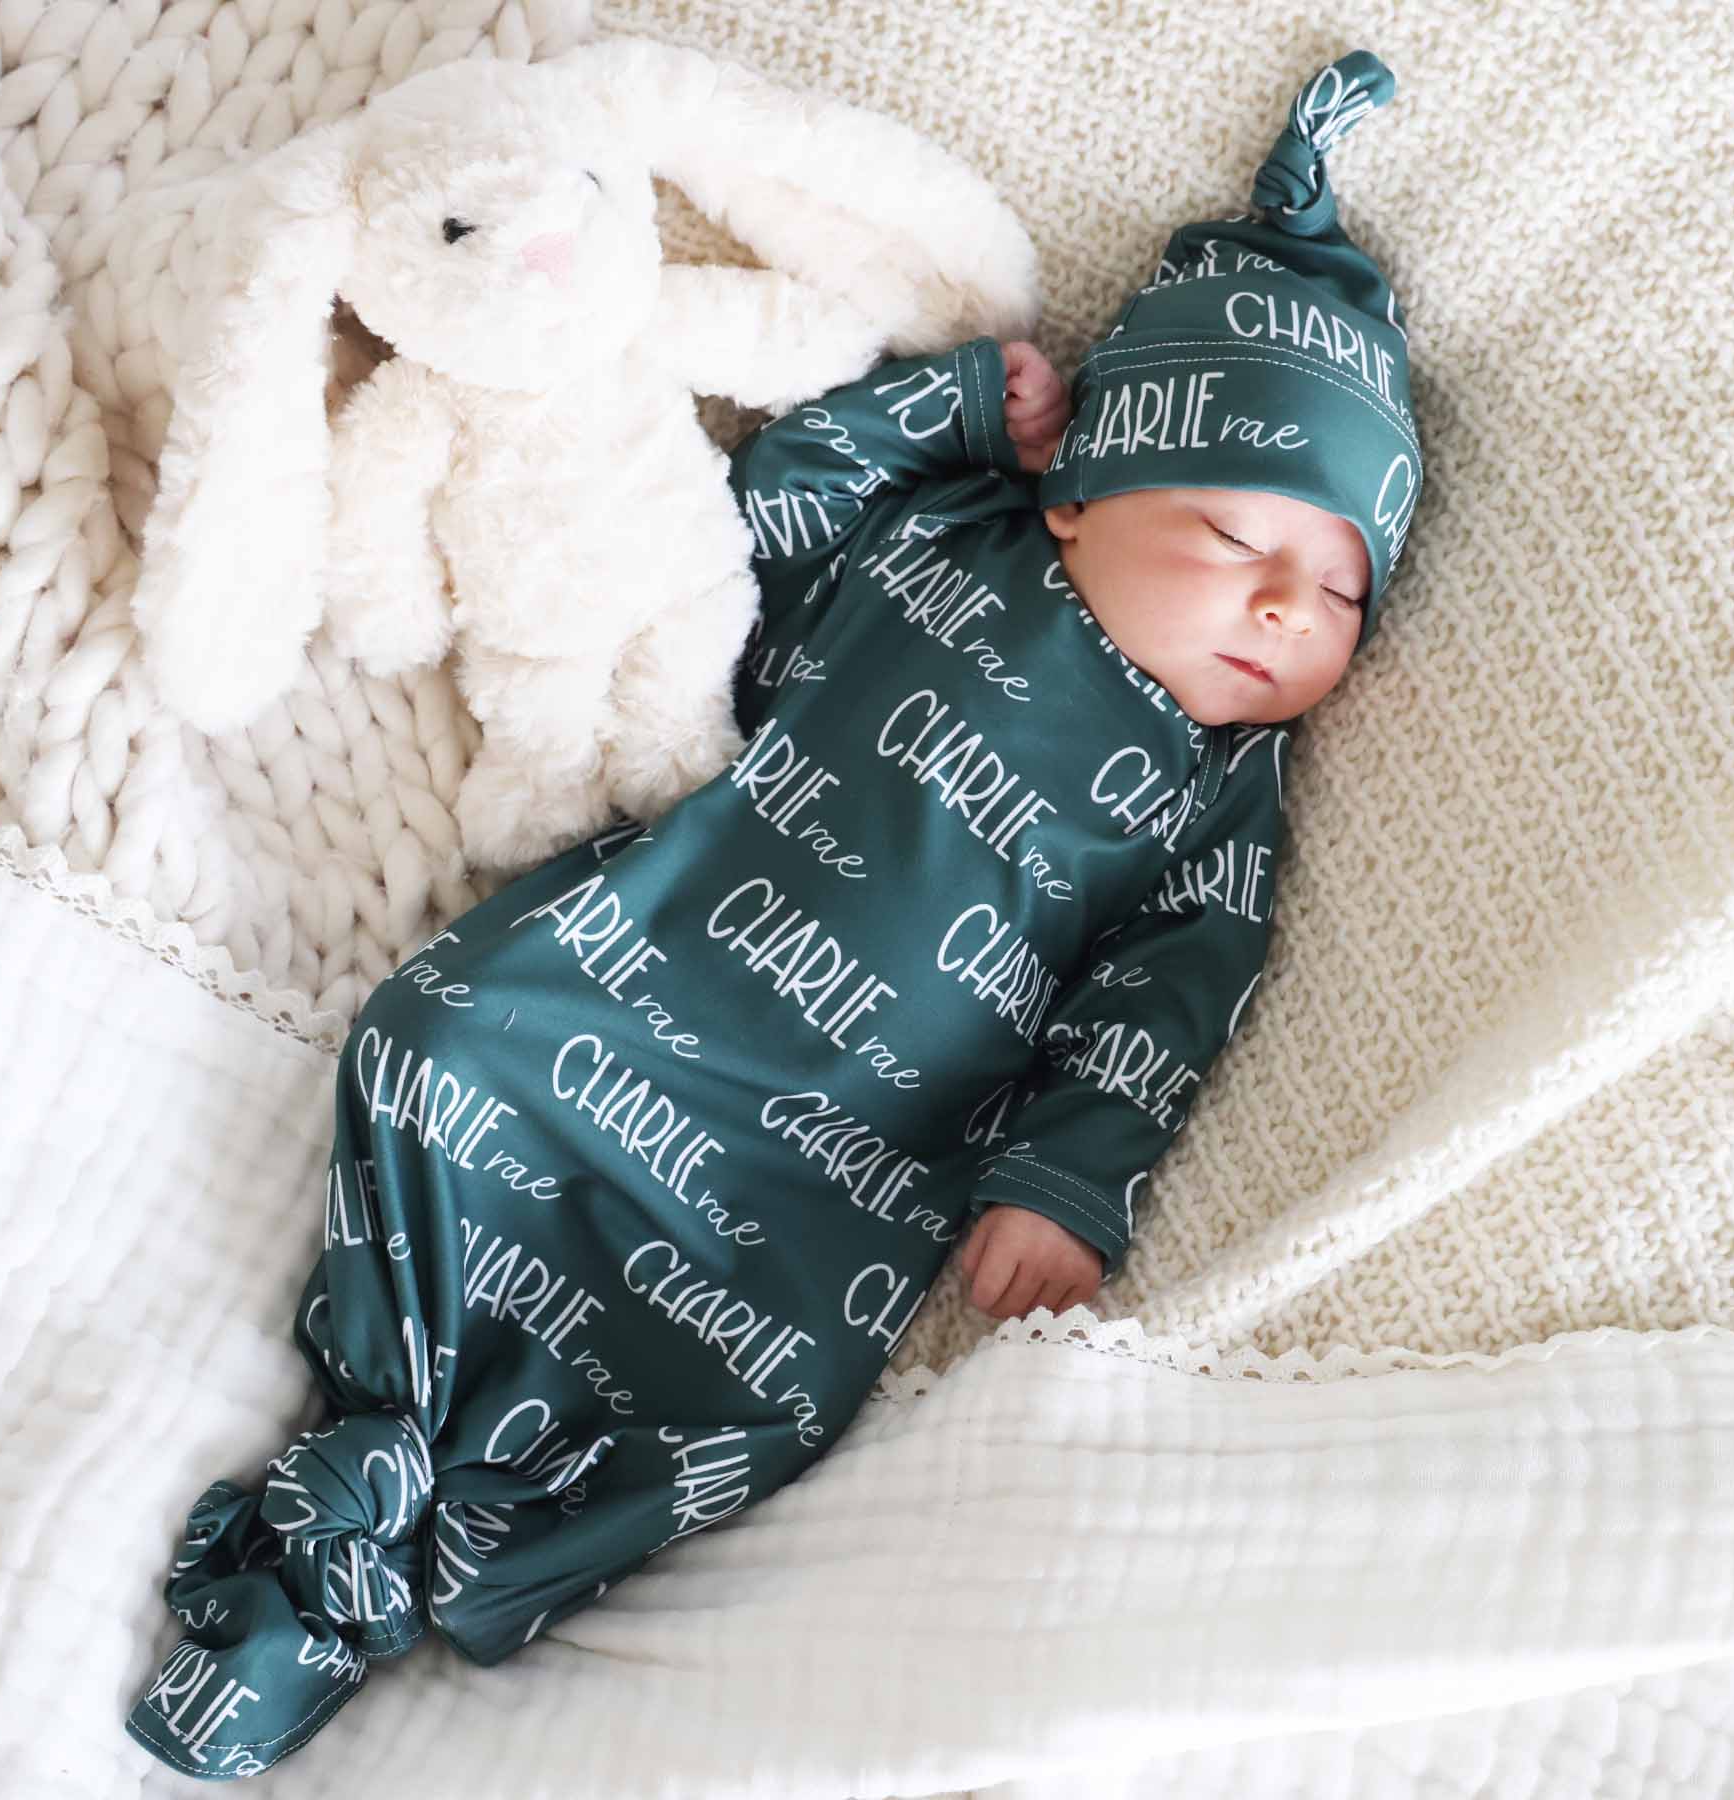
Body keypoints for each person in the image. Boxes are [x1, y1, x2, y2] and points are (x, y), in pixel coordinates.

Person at [127, 48, 1421, 1781]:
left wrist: (1065, 1179)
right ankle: (367, 1450)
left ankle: (461, 1555)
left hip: (835, 1158)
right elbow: (753, 514)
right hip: (634, 961)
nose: (1285, 604)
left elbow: (1173, 995)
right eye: (1235, 532)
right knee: (431, 1039)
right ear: (1083, 492)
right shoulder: (945, 540)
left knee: (766, 1392)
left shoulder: (1217, 786)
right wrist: (950, 411)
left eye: (1340, 587)